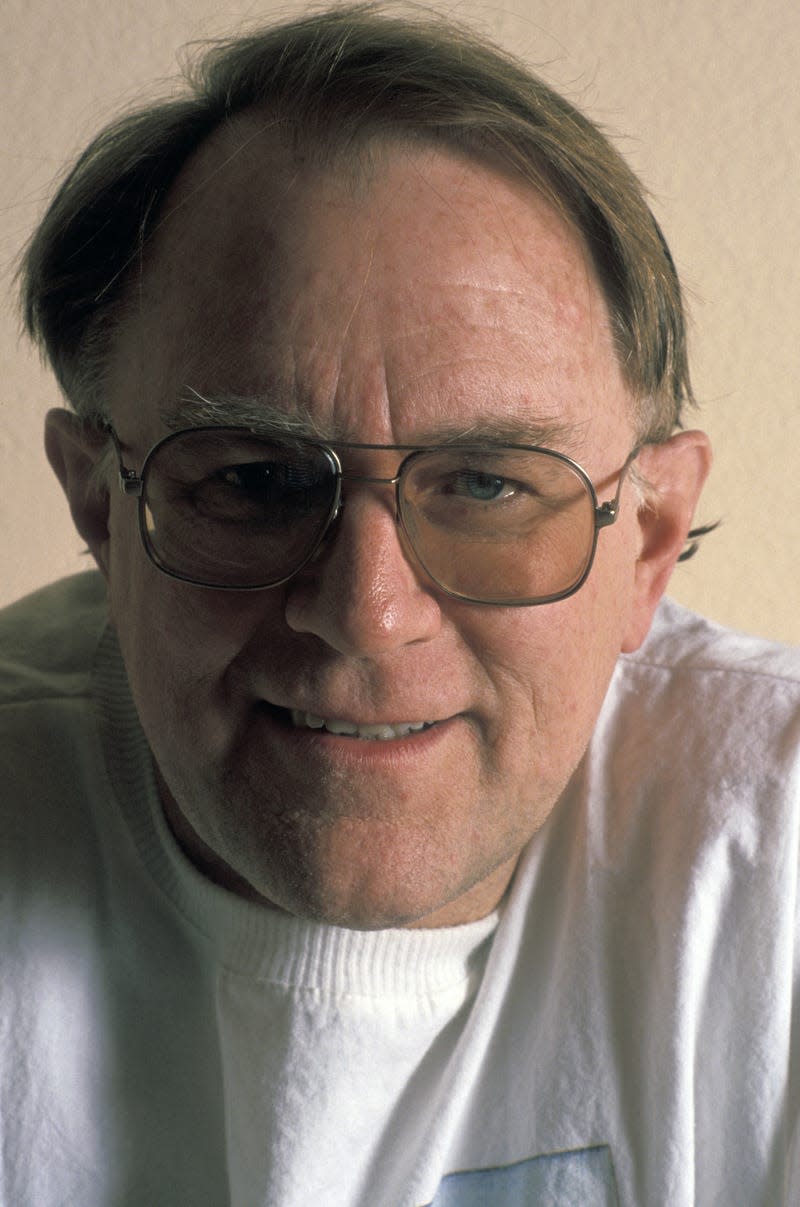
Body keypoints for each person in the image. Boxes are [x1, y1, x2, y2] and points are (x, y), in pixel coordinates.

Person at [2, 5, 798, 1204]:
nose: (366, 613)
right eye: (254, 481)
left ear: (646, 541)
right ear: (101, 511)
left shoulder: (773, 865)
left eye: (485, 484)